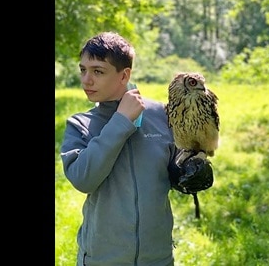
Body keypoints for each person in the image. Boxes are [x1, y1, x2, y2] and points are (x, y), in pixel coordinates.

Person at [60, 31, 213, 266]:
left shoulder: (161, 114)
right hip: (102, 259)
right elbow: (83, 179)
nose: (86, 80)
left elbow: (172, 167)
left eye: (98, 71)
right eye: (83, 70)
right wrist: (121, 120)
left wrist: (189, 172)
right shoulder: (80, 124)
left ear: (125, 75)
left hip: (158, 258)